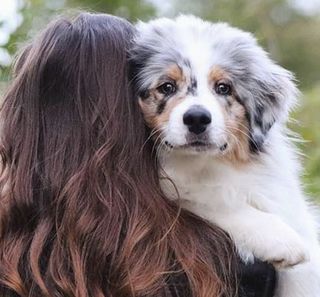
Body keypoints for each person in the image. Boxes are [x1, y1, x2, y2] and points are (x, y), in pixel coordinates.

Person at [0, 13, 275, 297]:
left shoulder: (11, 260)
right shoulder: (228, 262)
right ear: (130, 117)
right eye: (164, 88)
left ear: (24, 126)